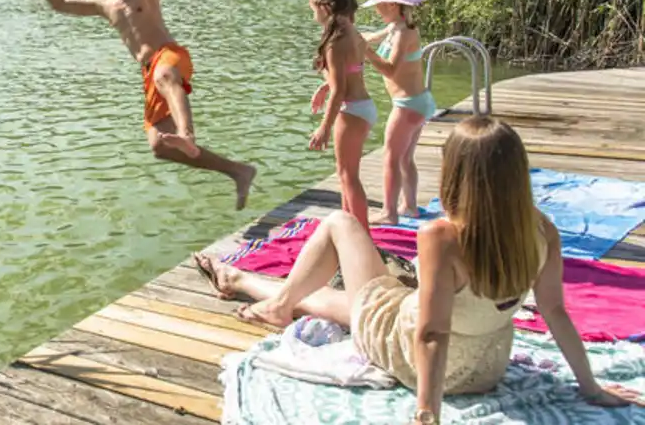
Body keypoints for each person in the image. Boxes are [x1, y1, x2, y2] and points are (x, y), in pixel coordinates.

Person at [194, 116, 641, 423]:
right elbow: (555, 311)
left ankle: (277, 301)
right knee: (356, 302)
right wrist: (590, 387)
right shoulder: (540, 229)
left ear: (456, 175)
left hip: (418, 357)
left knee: (339, 224)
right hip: (488, 365)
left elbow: (430, 333)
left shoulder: (443, 237)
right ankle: (247, 283)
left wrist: (427, 413)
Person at [10, 0, 257, 209]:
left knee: (166, 77)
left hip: (169, 57)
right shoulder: (104, 5)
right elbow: (59, 4)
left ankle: (187, 135)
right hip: (149, 73)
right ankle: (238, 171)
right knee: (159, 146)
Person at [362, 0, 435, 225]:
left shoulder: (404, 34)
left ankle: (389, 212)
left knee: (390, 158)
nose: (376, 10)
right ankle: (410, 207)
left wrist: (367, 52)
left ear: (393, 5)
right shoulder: (396, 26)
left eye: (379, 5)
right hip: (418, 101)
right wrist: (355, 36)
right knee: (405, 158)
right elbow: (374, 36)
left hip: (407, 105)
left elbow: (391, 70)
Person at [308, 0, 375, 229]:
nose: (313, 15)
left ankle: (362, 235)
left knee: (348, 176)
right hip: (364, 107)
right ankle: (351, 229)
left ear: (326, 7)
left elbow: (340, 90)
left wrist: (324, 127)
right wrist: (325, 86)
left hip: (352, 111)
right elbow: (352, 72)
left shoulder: (335, 41)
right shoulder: (353, 32)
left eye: (314, 8)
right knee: (345, 173)